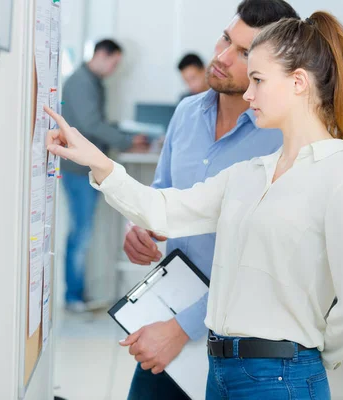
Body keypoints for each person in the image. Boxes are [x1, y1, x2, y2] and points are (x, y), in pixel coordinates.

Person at [45, 10, 343, 399]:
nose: (249, 94)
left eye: (257, 80)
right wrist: (98, 162)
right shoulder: (252, 172)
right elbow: (164, 210)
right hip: (221, 369)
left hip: (282, 376)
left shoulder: (339, 178)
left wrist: (304, 357)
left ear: (298, 83)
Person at [121, 1, 299, 398]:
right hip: (171, 317)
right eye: (224, 38)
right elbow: (163, 193)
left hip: (241, 343)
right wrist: (141, 227)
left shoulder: (283, 140)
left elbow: (261, 264)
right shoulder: (186, 113)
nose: (220, 57)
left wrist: (182, 328)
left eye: (244, 52)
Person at [60, 39, 147, 312]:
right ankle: (73, 297)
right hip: (77, 170)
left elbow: (96, 121)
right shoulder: (80, 82)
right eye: (113, 62)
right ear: (100, 54)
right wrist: (124, 141)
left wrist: (124, 135)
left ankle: (78, 295)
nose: (113, 68)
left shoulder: (92, 82)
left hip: (85, 168)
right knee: (82, 233)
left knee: (84, 231)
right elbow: (90, 124)